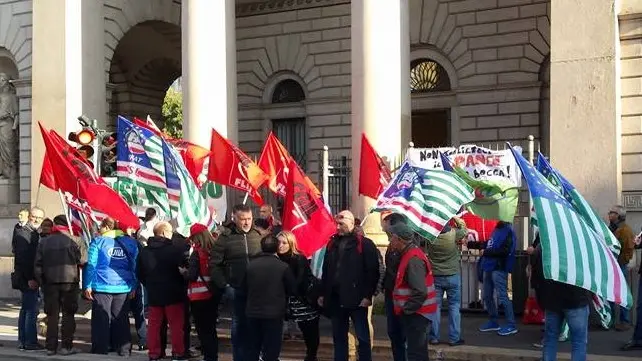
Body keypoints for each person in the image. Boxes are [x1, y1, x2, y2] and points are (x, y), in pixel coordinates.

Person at [319, 210, 380, 361]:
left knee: (363, 338)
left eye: (342, 224)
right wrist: (322, 293)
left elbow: (372, 272)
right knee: (339, 338)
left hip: (357, 300)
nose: (338, 227)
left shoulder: (365, 244)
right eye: (337, 224)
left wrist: (368, 295)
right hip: (336, 299)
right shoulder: (332, 244)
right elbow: (326, 271)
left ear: (352, 223)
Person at [209, 204, 263, 361]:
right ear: (234, 218)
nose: (246, 222)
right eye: (242, 219)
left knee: (256, 326)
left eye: (249, 219)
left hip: (257, 290)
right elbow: (214, 265)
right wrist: (225, 285)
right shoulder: (225, 238)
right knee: (239, 326)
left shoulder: (257, 235)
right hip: (236, 288)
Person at [83, 217, 138, 356]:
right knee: (121, 318)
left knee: (101, 318)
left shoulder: (98, 241)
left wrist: (87, 285)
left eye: (100, 226)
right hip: (123, 286)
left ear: (107, 227)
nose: (99, 229)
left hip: (102, 285)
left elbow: (91, 265)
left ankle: (100, 348)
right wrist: (133, 285)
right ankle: (123, 349)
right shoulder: (131, 243)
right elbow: (135, 267)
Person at [34, 215, 86, 356]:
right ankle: (66, 347)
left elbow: (37, 265)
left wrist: (41, 281)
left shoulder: (44, 242)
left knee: (52, 316)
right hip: (70, 282)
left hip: (50, 282)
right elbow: (83, 260)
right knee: (68, 315)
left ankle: (51, 347)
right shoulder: (75, 240)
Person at [531, 241, 590, 360]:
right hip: (577, 299)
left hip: (552, 300)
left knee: (550, 339)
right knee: (578, 342)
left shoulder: (546, 242)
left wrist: (543, 301)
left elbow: (536, 276)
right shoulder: (581, 242)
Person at [137, 222, 187, 361]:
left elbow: (139, 273)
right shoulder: (174, 250)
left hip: (154, 292)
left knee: (154, 326)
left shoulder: (145, 251)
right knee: (176, 326)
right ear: (164, 233)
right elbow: (183, 270)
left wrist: (149, 284)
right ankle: (178, 352)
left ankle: (154, 353)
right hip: (174, 292)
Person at [388, 222, 437, 361]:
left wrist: (406, 310)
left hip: (417, 314)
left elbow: (420, 291)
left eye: (392, 237)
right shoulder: (408, 254)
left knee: (416, 354)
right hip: (416, 312)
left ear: (400, 240)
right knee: (416, 352)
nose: (390, 240)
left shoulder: (413, 258)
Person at [244, 235, 296, 361]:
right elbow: (293, 289)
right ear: (277, 248)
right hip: (274, 314)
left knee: (253, 347)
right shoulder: (283, 267)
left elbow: (243, 287)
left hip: (253, 312)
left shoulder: (251, 265)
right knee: (271, 349)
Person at [277, 231, 320, 361]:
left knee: (309, 332)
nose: (281, 245)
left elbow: (299, 282)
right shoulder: (274, 258)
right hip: (283, 301)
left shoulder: (299, 258)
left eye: (284, 242)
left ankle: (311, 356)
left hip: (303, 300)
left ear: (291, 244)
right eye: (278, 242)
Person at [426, 216, 467, 346]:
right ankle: (454, 338)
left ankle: (434, 337)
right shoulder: (454, 234)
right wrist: (456, 217)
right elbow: (464, 229)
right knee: (454, 306)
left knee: (435, 307)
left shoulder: (430, 236)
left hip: (436, 276)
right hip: (452, 275)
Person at [183, 224, 219, 361]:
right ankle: (212, 356)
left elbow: (192, 276)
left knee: (202, 330)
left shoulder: (197, 254)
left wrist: (183, 272)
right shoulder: (216, 250)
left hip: (199, 297)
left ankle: (209, 357)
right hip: (213, 294)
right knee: (211, 329)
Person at [12, 206, 45, 351]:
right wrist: (31, 278)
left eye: (40, 217)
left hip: (27, 276)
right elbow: (24, 259)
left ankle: (23, 340)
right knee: (31, 309)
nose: (37, 219)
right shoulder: (24, 233)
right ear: (29, 216)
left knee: (26, 309)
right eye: (34, 216)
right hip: (27, 277)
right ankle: (30, 342)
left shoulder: (32, 232)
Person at [477, 221, 518, 336]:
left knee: (502, 296)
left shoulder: (508, 231)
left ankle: (511, 324)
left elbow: (505, 251)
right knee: (487, 295)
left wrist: (486, 251)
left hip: (499, 268)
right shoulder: (497, 230)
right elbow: (491, 244)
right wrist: (480, 246)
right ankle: (494, 321)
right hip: (490, 266)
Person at [380, 212, 408, 361]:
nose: (384, 228)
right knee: (393, 332)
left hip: (403, 296)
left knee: (402, 333)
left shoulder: (407, 249)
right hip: (391, 293)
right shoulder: (392, 246)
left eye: (387, 225)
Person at [607, 205, 635, 331]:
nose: (609, 214)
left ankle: (625, 321)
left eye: (612, 212)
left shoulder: (625, 230)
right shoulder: (612, 228)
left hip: (619, 265)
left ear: (618, 215)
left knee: (622, 293)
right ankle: (611, 319)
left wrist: (619, 262)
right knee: (609, 292)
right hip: (611, 264)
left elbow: (629, 250)